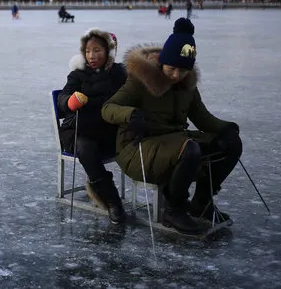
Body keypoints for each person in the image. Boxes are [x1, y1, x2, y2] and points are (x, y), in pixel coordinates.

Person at [102, 18, 242, 235]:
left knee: (230, 143)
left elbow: (202, 117)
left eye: (184, 70)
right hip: (137, 147)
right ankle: (174, 209)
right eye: (172, 68)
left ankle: (202, 203)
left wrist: (227, 128)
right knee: (190, 149)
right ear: (162, 62)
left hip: (174, 141)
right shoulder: (140, 81)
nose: (177, 75)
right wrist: (130, 114)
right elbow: (108, 108)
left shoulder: (186, 85)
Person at [57, 29, 128, 224]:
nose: (91, 56)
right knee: (86, 148)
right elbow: (63, 96)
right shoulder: (78, 74)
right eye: (88, 51)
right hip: (79, 130)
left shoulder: (121, 73)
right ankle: (113, 201)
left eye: (97, 50)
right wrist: (69, 102)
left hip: (108, 130)